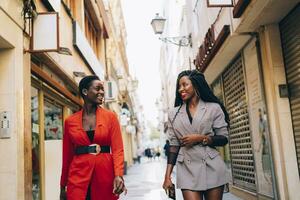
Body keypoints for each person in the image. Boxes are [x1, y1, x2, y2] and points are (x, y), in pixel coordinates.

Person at [162, 70, 229, 200]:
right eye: (179, 86)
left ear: (196, 85)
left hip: (212, 166)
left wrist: (201, 138)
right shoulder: (173, 114)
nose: (181, 89)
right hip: (187, 168)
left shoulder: (213, 108)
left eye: (185, 85)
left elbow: (223, 138)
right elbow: (174, 146)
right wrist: (167, 176)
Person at [60, 75, 126, 200]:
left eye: (103, 89)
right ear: (85, 92)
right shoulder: (70, 121)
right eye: (97, 89)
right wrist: (62, 186)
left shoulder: (111, 117)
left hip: (104, 175)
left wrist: (118, 175)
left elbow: (118, 150)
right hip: (77, 177)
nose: (102, 92)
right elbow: (67, 156)